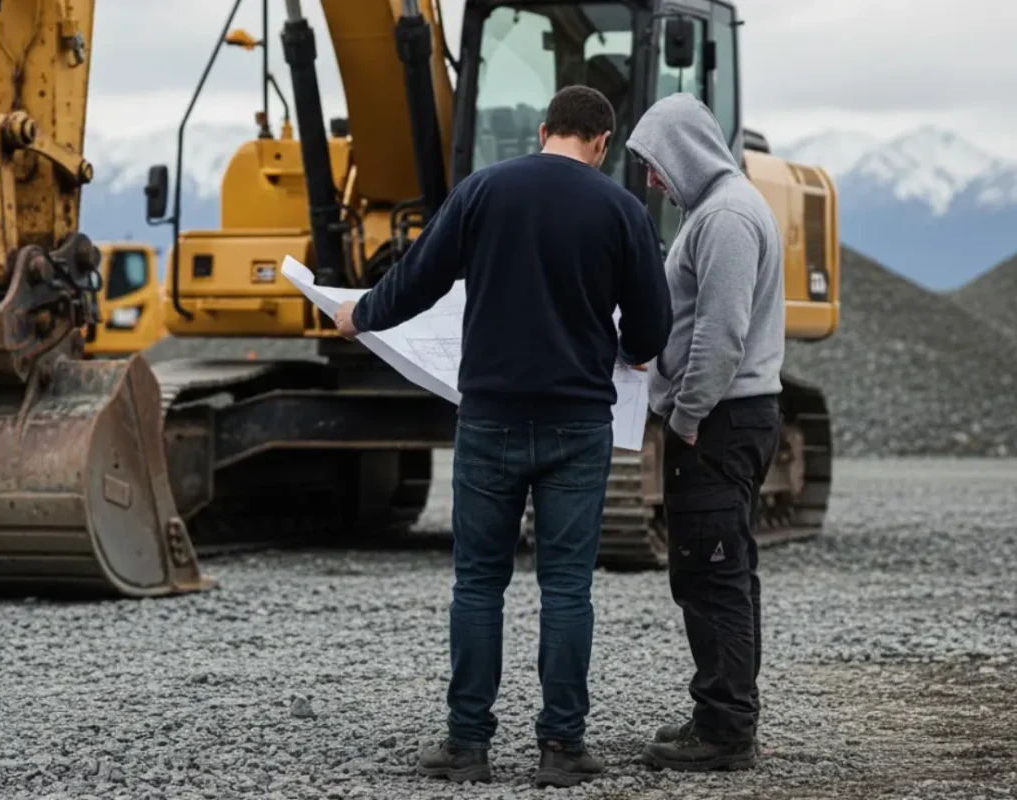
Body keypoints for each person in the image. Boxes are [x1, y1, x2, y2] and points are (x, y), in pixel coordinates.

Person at [332, 84, 672, 788]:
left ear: (544, 129)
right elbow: (649, 327)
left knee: (479, 585)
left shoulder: (484, 190)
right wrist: (635, 349)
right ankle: (561, 748)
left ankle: (466, 745)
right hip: (579, 423)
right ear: (603, 144)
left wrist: (358, 315)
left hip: (488, 418)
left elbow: (419, 279)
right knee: (567, 588)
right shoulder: (622, 210)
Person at [624, 93, 786, 772]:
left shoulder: (723, 218)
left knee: (713, 572)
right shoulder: (722, 209)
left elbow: (721, 335)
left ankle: (724, 735)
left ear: (684, 150)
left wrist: (685, 415)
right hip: (729, 418)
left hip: (717, 423)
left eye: (656, 162)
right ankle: (719, 710)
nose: (653, 179)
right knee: (721, 569)